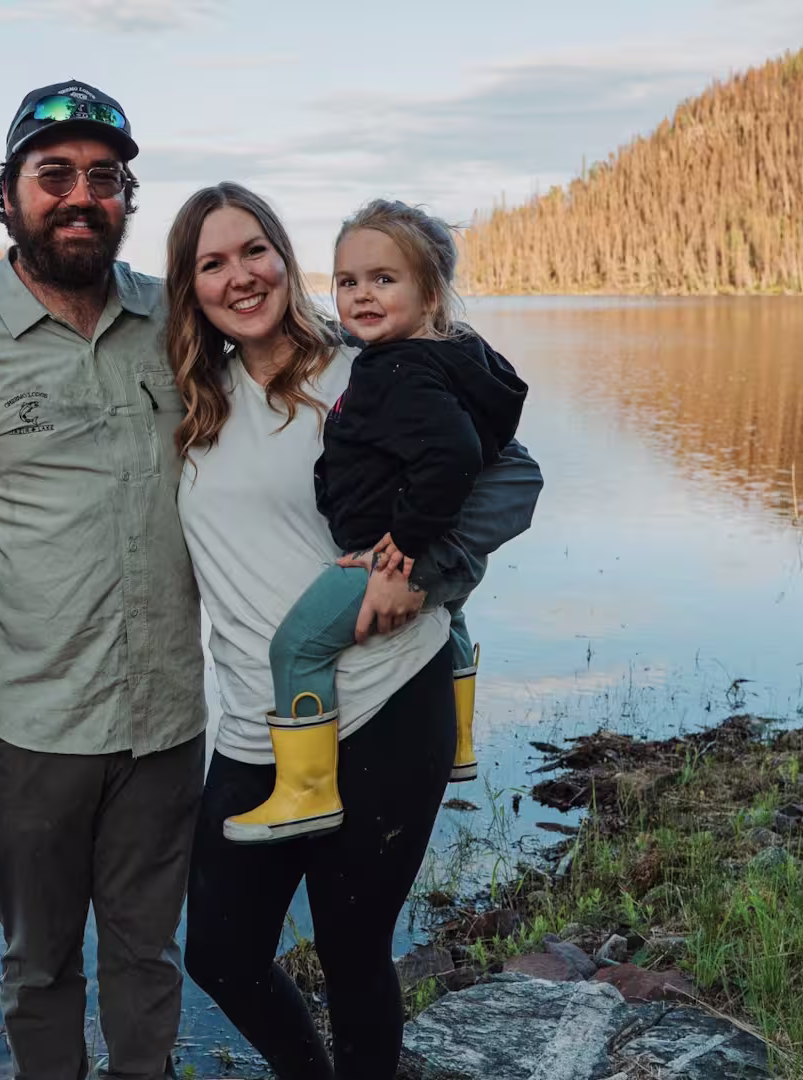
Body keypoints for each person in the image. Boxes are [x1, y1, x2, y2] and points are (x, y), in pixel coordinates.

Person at [167, 183, 542, 1079]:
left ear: (284, 257)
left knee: (352, 947)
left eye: (254, 250)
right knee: (219, 952)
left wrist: (418, 573)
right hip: (261, 721)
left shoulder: (365, 365)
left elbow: (513, 480)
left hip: (386, 700)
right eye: (212, 263)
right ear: (191, 285)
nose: (240, 276)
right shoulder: (188, 397)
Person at [0, 81, 204, 1080]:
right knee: (37, 970)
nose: (82, 196)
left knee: (149, 956)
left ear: (127, 198)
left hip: (168, 723)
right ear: (7, 196)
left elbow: (332, 396)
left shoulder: (186, 322)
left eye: (105, 178)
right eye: (54, 174)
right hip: (30, 736)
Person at [225, 198, 528, 843]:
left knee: (298, 646)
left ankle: (304, 791)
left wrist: (408, 550)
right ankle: (461, 744)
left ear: (431, 290)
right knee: (455, 621)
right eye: (347, 282)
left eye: (384, 280)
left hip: (386, 556)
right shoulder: (451, 356)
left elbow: (461, 457)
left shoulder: (400, 368)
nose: (361, 295)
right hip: (413, 551)